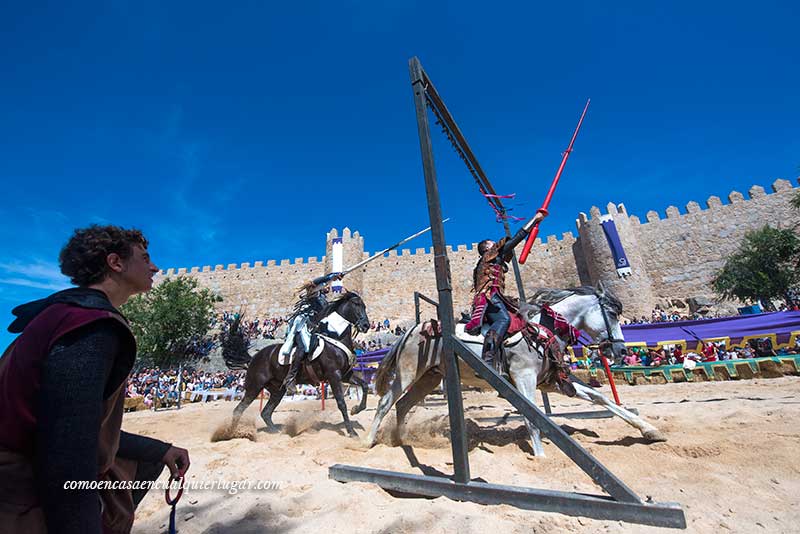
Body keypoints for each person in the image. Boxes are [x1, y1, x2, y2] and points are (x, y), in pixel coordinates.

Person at [0, 224, 190, 534]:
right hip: (22, 490)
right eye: (144, 258)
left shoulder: (62, 314)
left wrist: (160, 451)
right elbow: (67, 454)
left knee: (147, 460)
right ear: (116, 263)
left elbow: (78, 425)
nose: (154, 267)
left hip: (37, 462)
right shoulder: (90, 326)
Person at [464, 210, 547, 375]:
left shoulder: (488, 261)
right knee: (503, 319)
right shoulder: (491, 255)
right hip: (489, 297)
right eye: (491, 242)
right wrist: (534, 220)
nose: (495, 243)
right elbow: (517, 238)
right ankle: (487, 360)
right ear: (487, 248)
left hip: (493, 296)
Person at [280, 271, 344, 393]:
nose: (327, 287)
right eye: (325, 285)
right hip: (302, 325)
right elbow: (316, 283)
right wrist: (331, 277)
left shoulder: (324, 301)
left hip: (315, 327)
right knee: (303, 347)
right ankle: (290, 377)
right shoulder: (313, 293)